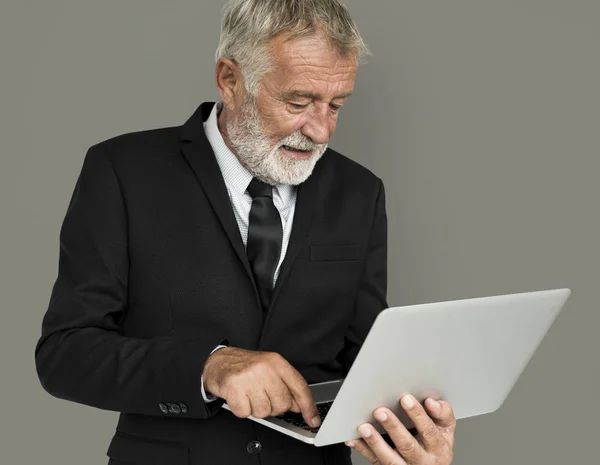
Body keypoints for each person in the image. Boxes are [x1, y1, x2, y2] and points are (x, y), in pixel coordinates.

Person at [34, 1, 456, 464]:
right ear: (229, 80)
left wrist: (409, 435)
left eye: (336, 105)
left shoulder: (360, 192)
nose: (320, 131)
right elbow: (65, 354)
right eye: (298, 102)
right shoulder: (122, 171)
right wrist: (208, 365)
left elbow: (365, 364)